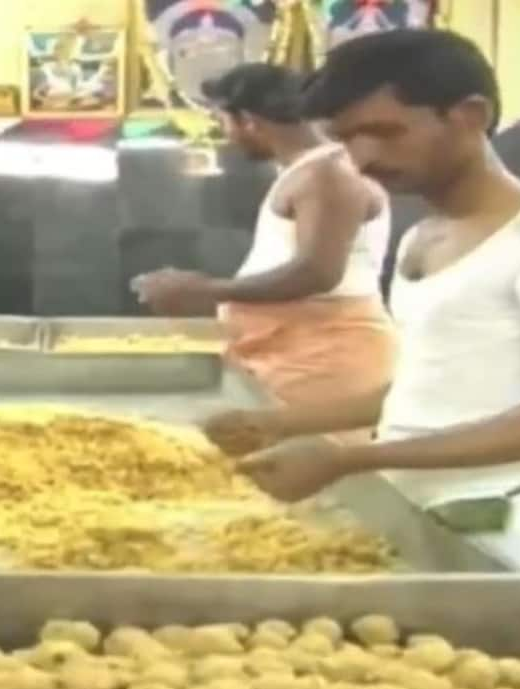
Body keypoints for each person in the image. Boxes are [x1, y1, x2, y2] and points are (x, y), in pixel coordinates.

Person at [205, 29, 520, 570]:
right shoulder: (423, 237)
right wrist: (283, 423)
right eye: (345, 139)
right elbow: (429, 389)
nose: (363, 158)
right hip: (426, 520)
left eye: (384, 132)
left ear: (470, 116)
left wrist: (352, 457)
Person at [134, 63, 396, 425]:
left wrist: (205, 290)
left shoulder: (327, 173)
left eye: (223, 121)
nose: (225, 135)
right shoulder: (309, 170)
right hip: (292, 350)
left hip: (325, 356)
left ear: (248, 120)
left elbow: (317, 272)